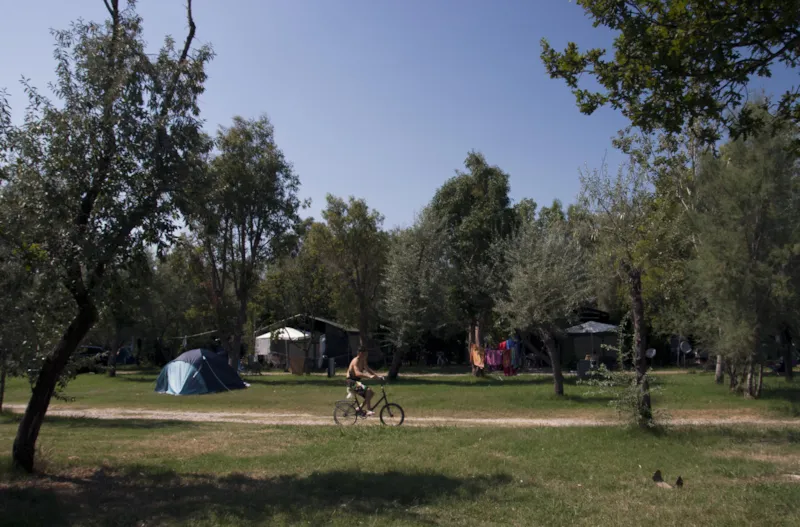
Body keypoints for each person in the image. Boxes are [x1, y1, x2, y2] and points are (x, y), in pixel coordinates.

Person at [346, 346, 383, 415]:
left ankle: (359, 408)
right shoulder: (355, 361)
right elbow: (357, 373)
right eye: (365, 354)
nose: (366, 356)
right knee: (368, 390)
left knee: (371, 393)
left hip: (356, 382)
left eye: (367, 354)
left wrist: (377, 377)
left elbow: (368, 369)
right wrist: (369, 376)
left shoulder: (363, 360)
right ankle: (368, 410)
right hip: (352, 382)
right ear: (360, 353)